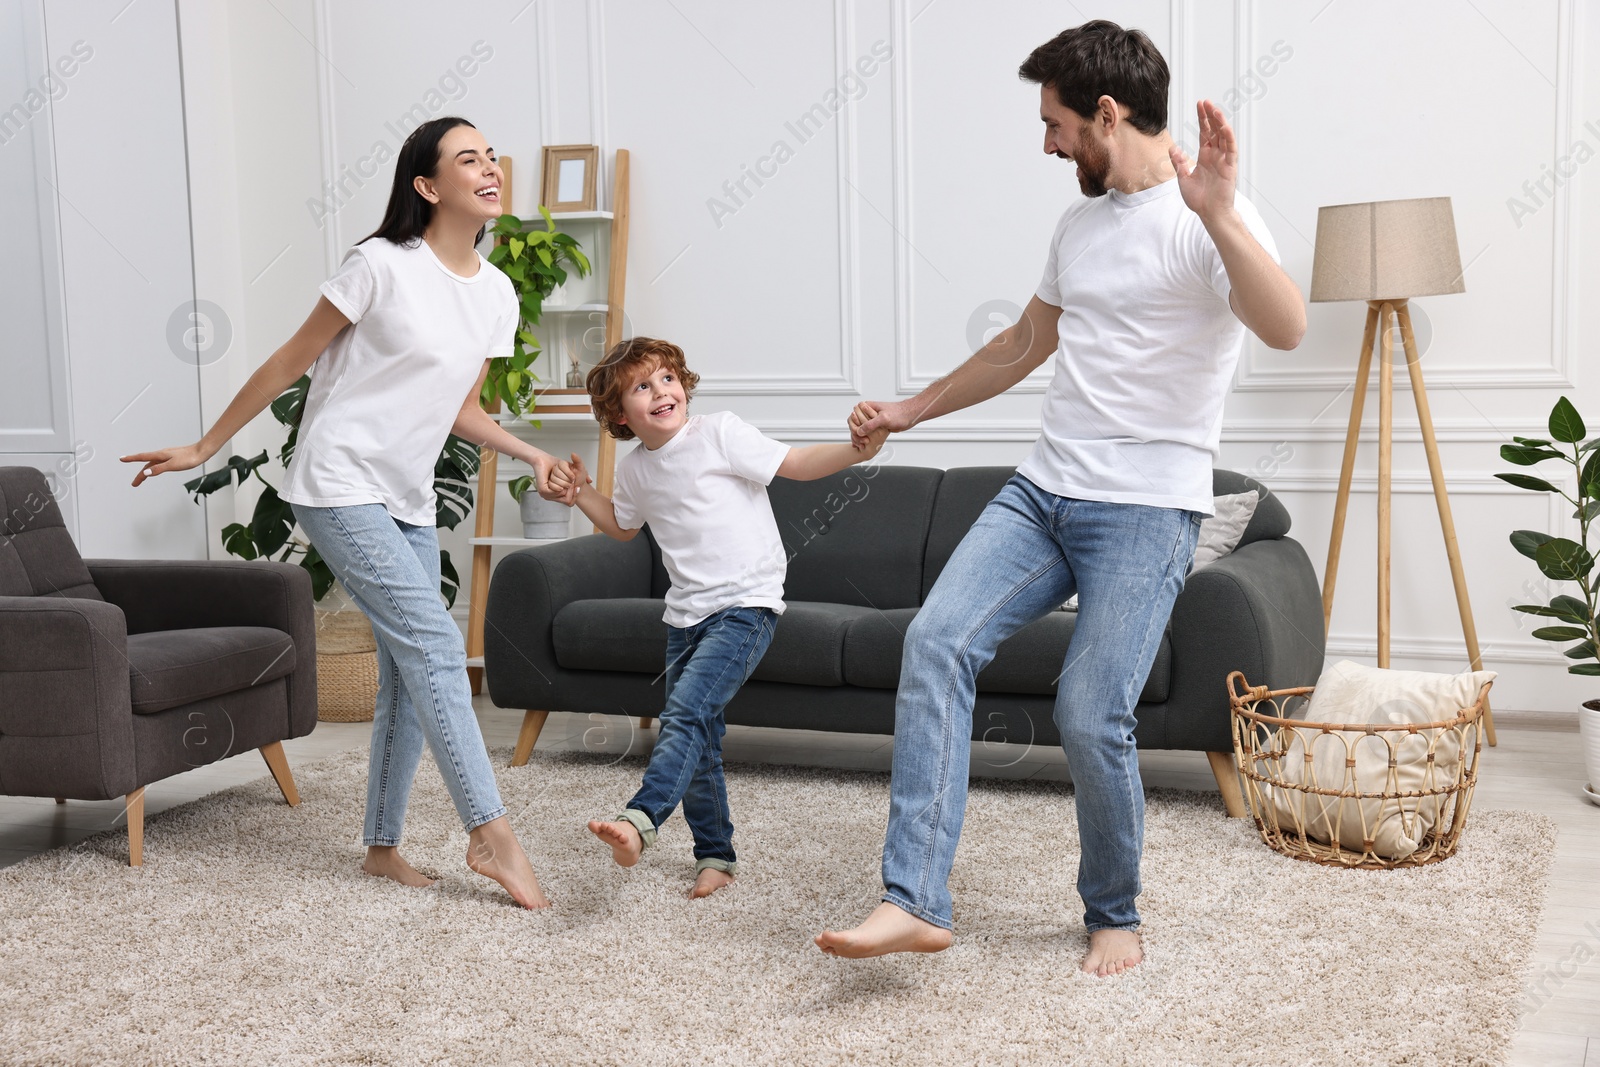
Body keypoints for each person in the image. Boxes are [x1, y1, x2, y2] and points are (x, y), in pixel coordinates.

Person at [815, 21, 1305, 973]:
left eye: (1055, 124)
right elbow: (1022, 345)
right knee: (935, 639)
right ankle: (913, 898)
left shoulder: (1212, 220)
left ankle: (1112, 910)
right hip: (1042, 493)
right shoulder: (1079, 224)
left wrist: (1216, 216)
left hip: (1147, 509)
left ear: (1106, 115)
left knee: (1089, 709)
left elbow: (1283, 325)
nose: (1046, 143)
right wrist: (914, 409)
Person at [122, 116, 572, 910]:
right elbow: (291, 359)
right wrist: (204, 445)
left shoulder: (496, 291)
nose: (491, 168)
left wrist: (530, 453)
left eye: (492, 156)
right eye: (469, 159)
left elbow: (459, 408)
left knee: (407, 659)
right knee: (434, 640)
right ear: (427, 187)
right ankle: (491, 832)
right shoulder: (379, 265)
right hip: (336, 481)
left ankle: (381, 845)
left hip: (404, 490)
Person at [550, 337, 888, 898]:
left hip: (745, 607)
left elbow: (796, 465)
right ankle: (715, 855)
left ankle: (641, 819)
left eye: (666, 378)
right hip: (685, 617)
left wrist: (857, 451)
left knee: (683, 713)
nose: (661, 391)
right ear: (618, 414)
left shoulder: (719, 432)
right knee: (699, 737)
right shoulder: (635, 470)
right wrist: (583, 492)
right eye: (641, 387)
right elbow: (623, 525)